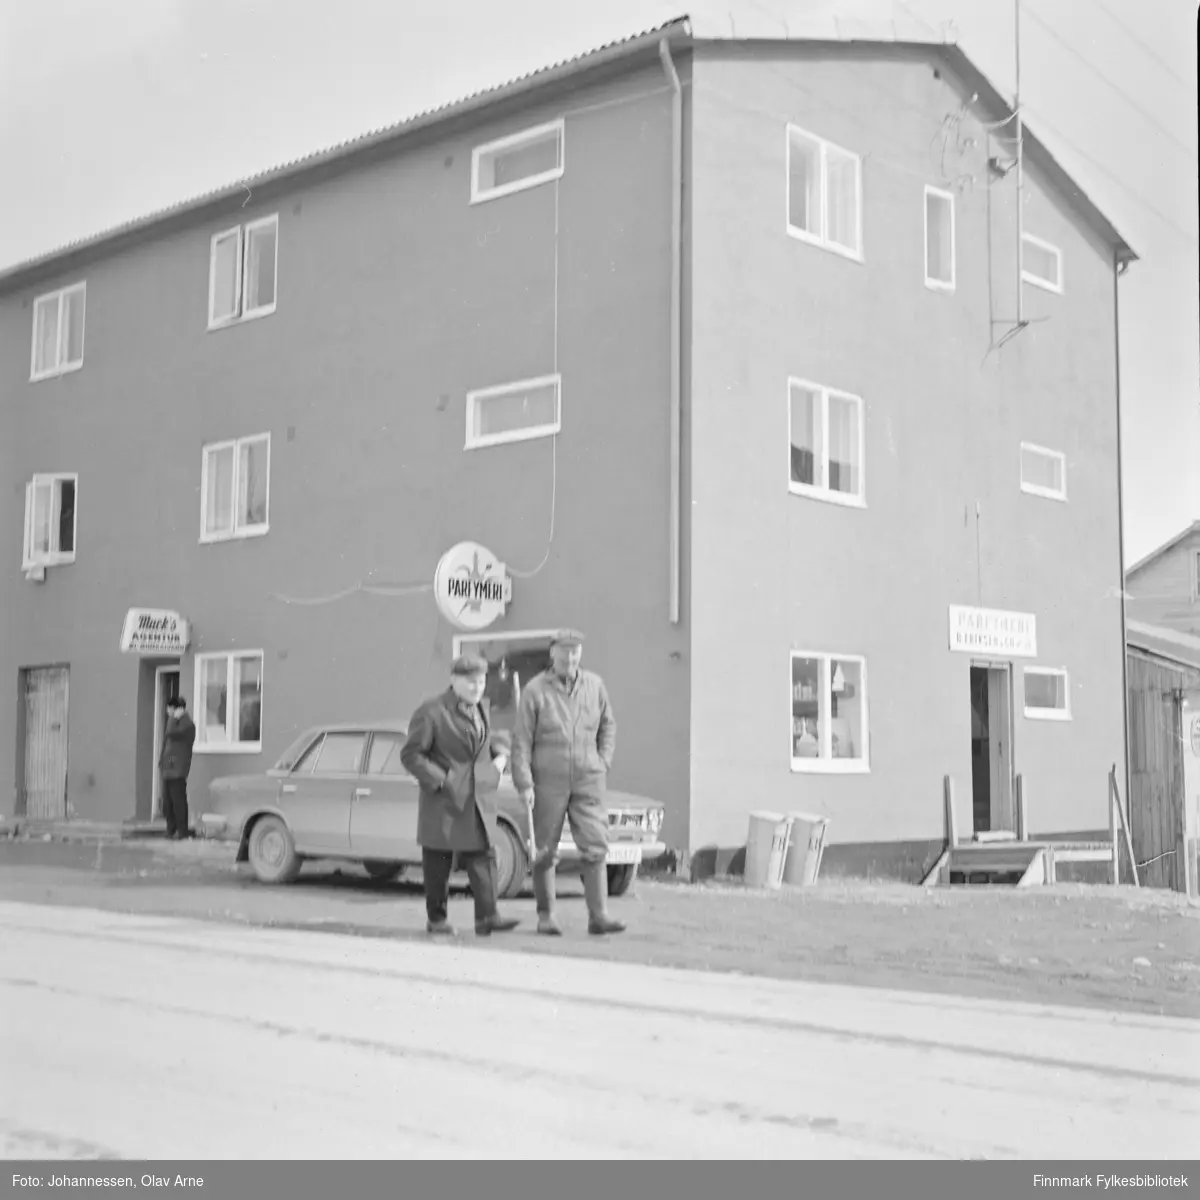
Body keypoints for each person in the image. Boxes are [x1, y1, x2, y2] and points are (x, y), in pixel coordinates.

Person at [511, 629, 625, 937]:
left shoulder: (595, 686)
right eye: (563, 652)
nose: (569, 658)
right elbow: (521, 741)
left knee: (596, 845)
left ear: (581, 654)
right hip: (548, 779)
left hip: (588, 777)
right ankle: (546, 916)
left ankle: (598, 915)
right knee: (544, 849)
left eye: (574, 652)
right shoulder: (535, 691)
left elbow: (608, 725)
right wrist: (524, 782)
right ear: (552, 654)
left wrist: (603, 761)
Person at [401, 655, 520, 938]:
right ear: (453, 680)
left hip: (477, 799)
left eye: (481, 682)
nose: (477, 688)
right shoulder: (432, 711)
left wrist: (501, 756)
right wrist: (442, 782)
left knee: (484, 855)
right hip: (445, 801)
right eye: (470, 682)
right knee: (438, 863)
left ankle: (488, 917)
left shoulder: (482, 709)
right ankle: (437, 919)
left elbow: (484, 744)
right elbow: (411, 755)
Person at [159, 696, 196, 840]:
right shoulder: (176, 723)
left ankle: (182, 830)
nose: (168, 711)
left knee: (178, 800)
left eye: (170, 708)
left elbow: (170, 733)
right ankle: (171, 829)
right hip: (169, 768)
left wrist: (174, 718)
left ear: (177, 709)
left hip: (177, 769)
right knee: (168, 802)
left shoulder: (186, 724)